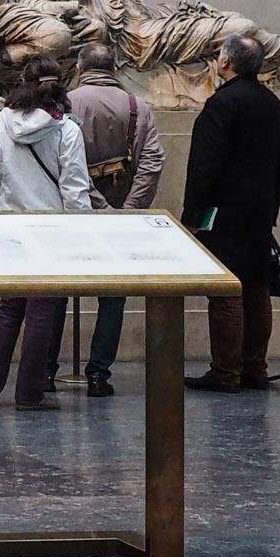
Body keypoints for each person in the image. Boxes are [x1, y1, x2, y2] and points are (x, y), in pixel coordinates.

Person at [0, 57, 91, 410]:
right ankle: (30, 393)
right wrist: (81, 232)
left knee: (9, 308)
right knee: (42, 312)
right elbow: (74, 188)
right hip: (53, 232)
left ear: (23, 83)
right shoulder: (66, 129)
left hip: (9, 227)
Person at [180, 33, 280, 391]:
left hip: (224, 213)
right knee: (257, 289)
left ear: (226, 62)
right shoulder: (273, 104)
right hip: (260, 213)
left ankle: (226, 371)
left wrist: (192, 216)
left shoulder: (222, 103)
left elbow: (205, 165)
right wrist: (271, 209)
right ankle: (254, 367)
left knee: (226, 291)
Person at [64, 42, 165, 397]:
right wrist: (130, 209)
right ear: (115, 69)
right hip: (123, 205)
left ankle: (45, 371)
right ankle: (98, 374)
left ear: (79, 69)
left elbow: (67, 166)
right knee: (113, 296)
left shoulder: (67, 104)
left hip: (74, 210)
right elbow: (152, 162)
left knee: (56, 291)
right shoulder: (138, 106)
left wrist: (96, 204)